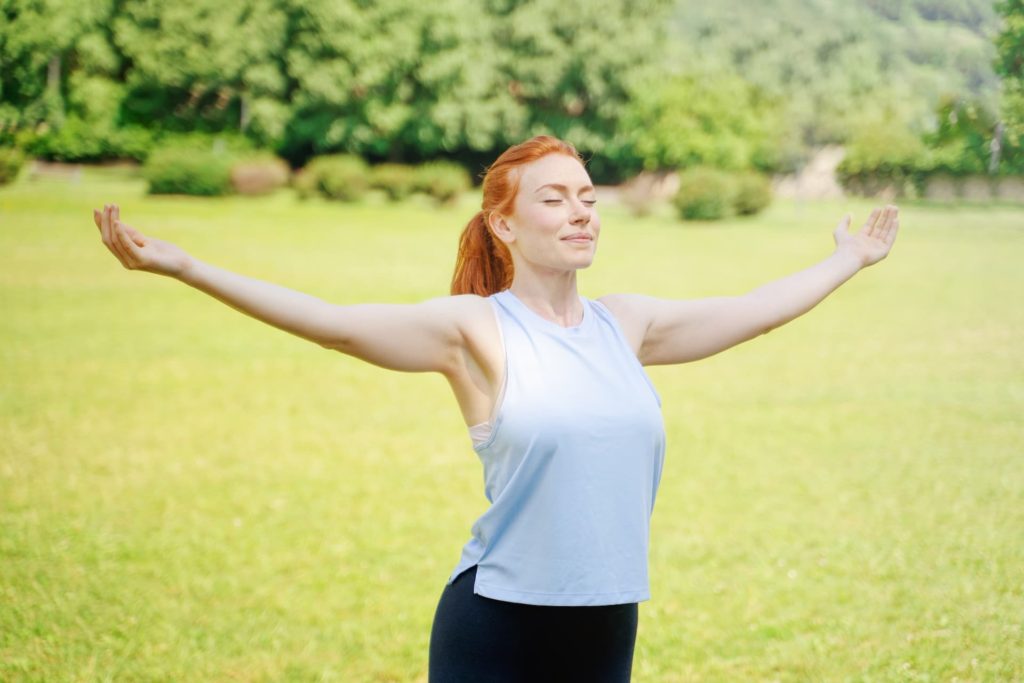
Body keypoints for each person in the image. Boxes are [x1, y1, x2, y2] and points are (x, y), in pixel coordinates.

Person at [92, 135, 899, 682]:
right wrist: (184, 264)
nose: (581, 211)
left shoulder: (629, 324)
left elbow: (755, 309)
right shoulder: (475, 329)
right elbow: (334, 325)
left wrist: (846, 260)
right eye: (554, 199)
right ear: (503, 222)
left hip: (607, 618)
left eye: (587, 196)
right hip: (498, 624)